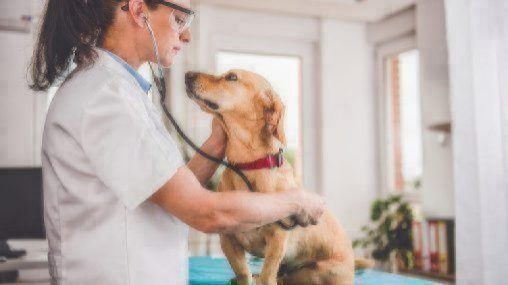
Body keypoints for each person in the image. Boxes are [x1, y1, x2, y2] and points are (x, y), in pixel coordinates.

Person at [29, 0, 325, 284]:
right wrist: (295, 200)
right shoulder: (105, 100)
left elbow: (168, 193)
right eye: (179, 19)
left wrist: (216, 145)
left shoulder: (118, 93)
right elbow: (205, 212)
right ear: (138, 10)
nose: (186, 34)